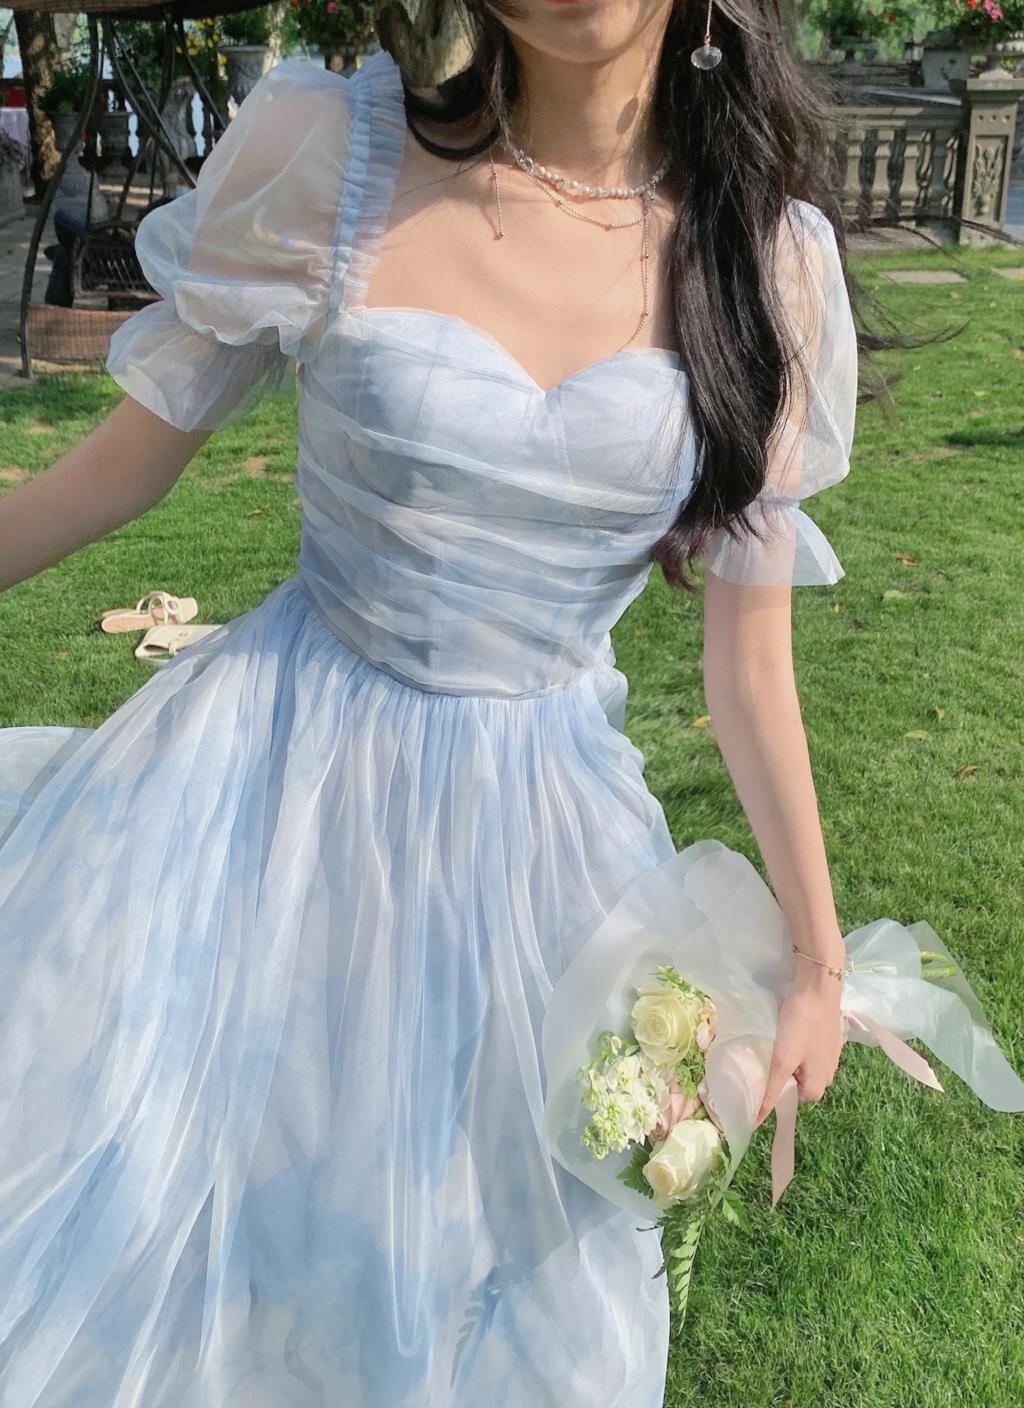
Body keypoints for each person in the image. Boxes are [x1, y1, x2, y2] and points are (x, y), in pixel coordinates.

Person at [0, 2, 869, 1403]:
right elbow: (119, 471)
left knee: (520, 1313)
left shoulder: (768, 265)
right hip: (270, 800)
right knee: (189, 1221)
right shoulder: (326, 156)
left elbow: (748, 661)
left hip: (544, 858)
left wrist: (820, 963)